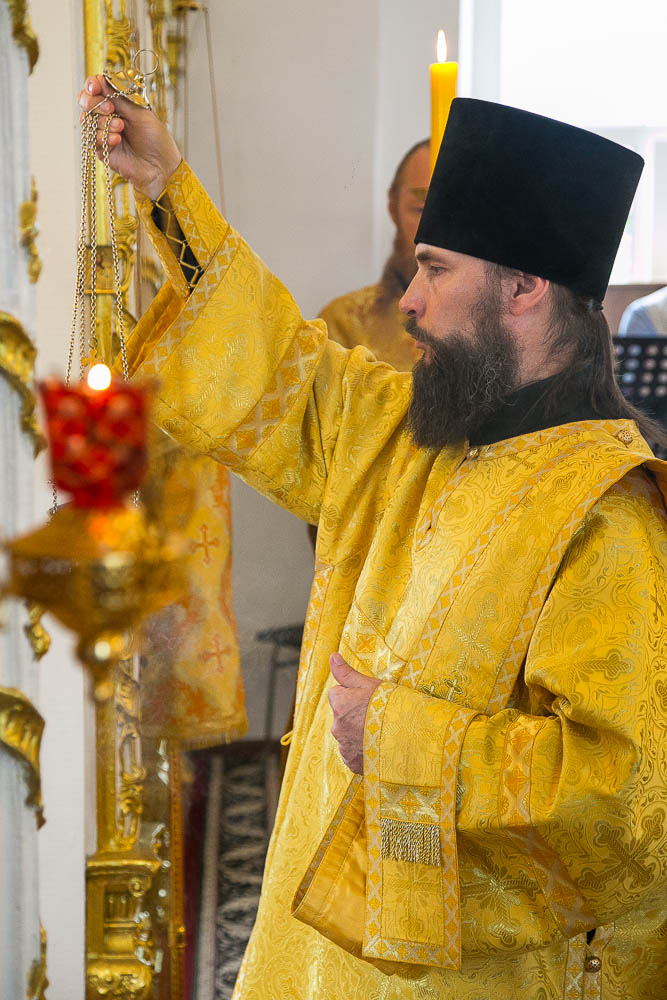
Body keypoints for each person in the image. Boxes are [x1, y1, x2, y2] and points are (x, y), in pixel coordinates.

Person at [78, 78, 667, 1000]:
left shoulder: (609, 516)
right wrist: (166, 188)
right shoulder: (405, 432)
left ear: (523, 287)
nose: (409, 303)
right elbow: (279, 366)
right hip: (324, 946)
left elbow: (620, 804)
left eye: (437, 270)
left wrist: (391, 732)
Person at [319, 139, 429, 372]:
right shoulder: (344, 325)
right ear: (393, 208)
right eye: (421, 209)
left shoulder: (499, 326)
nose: (436, 230)